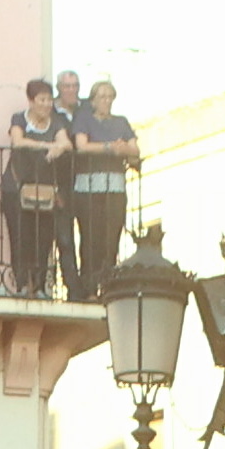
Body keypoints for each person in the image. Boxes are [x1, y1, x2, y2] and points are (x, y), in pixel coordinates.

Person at [63, 77, 138, 299]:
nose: (107, 101)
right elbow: (82, 145)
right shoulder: (84, 120)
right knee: (91, 238)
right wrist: (110, 147)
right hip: (88, 189)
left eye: (110, 97)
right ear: (93, 101)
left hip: (114, 188)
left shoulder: (121, 122)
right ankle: (89, 286)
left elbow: (134, 149)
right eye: (102, 97)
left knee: (110, 238)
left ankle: (107, 283)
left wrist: (120, 148)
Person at [1, 76, 69, 295]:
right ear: (31, 101)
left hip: (45, 188)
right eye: (42, 99)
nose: (47, 104)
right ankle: (21, 282)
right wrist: (47, 145)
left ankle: (38, 284)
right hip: (17, 186)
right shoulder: (19, 119)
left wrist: (60, 147)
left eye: (49, 99)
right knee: (20, 236)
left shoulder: (56, 122)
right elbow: (17, 141)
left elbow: (65, 142)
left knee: (43, 237)